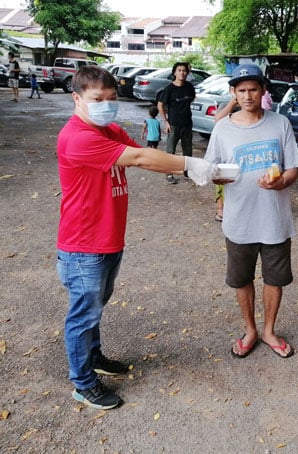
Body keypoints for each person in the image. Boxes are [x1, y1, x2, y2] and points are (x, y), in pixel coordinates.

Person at [56, 65, 216, 410]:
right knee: (82, 316)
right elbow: (141, 156)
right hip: (84, 246)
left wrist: (207, 171)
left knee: (94, 311)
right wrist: (192, 164)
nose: (107, 105)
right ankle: (82, 383)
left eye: (112, 98)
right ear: (77, 98)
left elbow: (146, 158)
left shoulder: (109, 129)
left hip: (108, 239)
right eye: (98, 99)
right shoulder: (78, 137)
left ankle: (94, 358)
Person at [205, 63, 298, 359]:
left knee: (274, 279)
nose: (248, 95)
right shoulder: (222, 128)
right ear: (233, 93)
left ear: (263, 91)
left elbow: (294, 168)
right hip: (239, 222)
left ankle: (269, 330)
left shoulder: (280, 123)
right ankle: (250, 330)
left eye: (253, 89)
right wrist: (219, 179)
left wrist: (281, 182)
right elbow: (213, 171)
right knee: (242, 279)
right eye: (242, 90)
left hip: (275, 220)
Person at [157, 62, 195, 184]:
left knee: (188, 150)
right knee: (170, 151)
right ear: (174, 72)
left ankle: (188, 172)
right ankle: (169, 174)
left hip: (187, 124)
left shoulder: (189, 87)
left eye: (184, 71)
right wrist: (166, 122)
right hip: (173, 125)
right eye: (179, 70)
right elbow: (160, 104)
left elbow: (192, 98)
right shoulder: (169, 89)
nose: (182, 73)